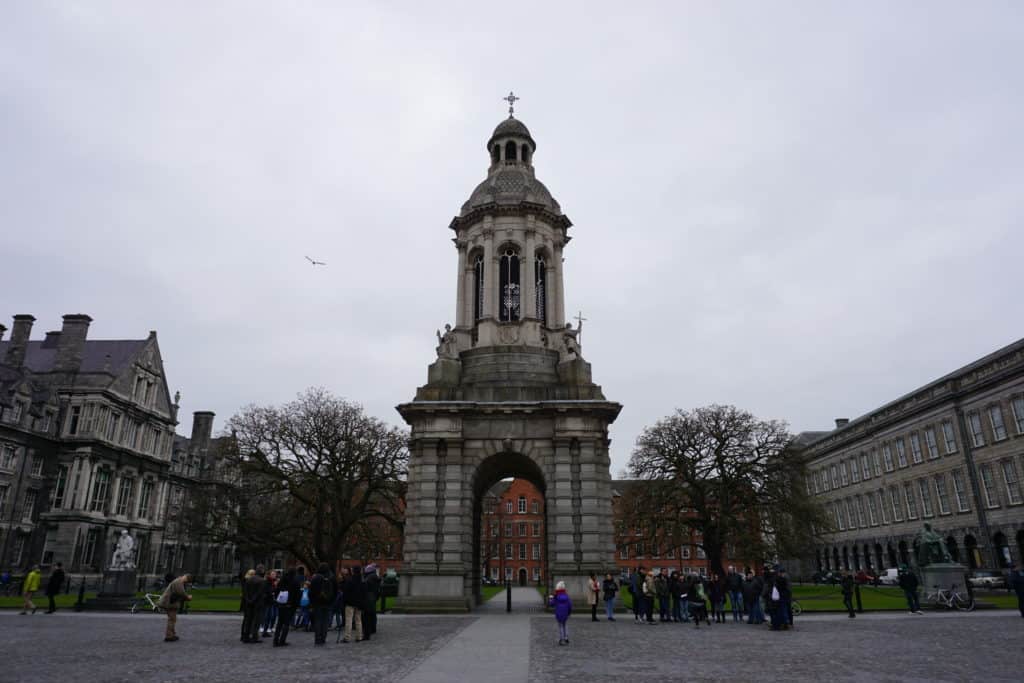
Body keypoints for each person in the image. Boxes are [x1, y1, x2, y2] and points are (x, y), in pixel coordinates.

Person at [158, 573, 192, 642]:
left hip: (170, 602)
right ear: (186, 578)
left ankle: (172, 634)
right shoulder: (178, 582)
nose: (186, 582)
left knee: (173, 619)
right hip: (170, 603)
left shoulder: (178, 581)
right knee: (172, 619)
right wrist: (188, 597)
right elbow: (181, 593)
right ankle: (169, 636)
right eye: (187, 581)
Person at [310, 562, 336, 646]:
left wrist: (312, 601)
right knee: (325, 621)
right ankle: (323, 638)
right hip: (328, 602)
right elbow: (336, 591)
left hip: (317, 602)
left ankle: (318, 638)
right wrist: (332, 600)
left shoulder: (315, 577)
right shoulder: (331, 577)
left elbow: (311, 591)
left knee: (318, 620)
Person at [273, 566, 301, 647]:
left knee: (279, 623)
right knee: (286, 623)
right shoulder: (295, 582)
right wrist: (296, 605)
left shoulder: (282, 580)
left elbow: (277, 590)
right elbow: (297, 595)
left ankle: (275, 639)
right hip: (290, 605)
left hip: (281, 603)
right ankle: (282, 640)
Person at [241, 566, 267, 643]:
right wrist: (253, 600)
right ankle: (254, 637)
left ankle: (246, 636)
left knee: (249, 620)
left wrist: (249, 600)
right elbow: (259, 593)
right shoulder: (262, 581)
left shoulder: (249, 579)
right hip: (257, 603)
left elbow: (245, 591)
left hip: (249, 603)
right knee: (256, 621)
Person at [342, 566, 365, 643]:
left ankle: (347, 637)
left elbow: (345, 592)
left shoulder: (350, 580)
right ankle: (359, 636)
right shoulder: (362, 581)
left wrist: (344, 601)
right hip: (358, 603)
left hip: (350, 603)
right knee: (358, 620)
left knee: (348, 620)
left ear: (353, 571)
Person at [548, 580, 573, 645]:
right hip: (565, 613)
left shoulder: (556, 596)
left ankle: (561, 639)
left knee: (560, 626)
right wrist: (569, 612)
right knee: (565, 625)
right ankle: (566, 637)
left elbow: (551, 604)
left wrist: (550, 598)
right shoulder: (566, 596)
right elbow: (570, 605)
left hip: (559, 613)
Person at [362, 563, 381, 641]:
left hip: (368, 598)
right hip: (373, 597)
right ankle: (373, 628)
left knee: (367, 616)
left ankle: (367, 632)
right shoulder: (375, 577)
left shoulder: (369, 578)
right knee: (372, 614)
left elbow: (365, 588)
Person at [261, 570, 278, 637]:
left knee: (270, 616)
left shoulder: (273, 582)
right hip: (267, 601)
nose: (274, 575)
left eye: (275, 574)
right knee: (267, 616)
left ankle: (266, 630)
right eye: (273, 574)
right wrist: (271, 593)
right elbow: (266, 591)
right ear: (269, 575)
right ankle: (264, 629)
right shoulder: (267, 582)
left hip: (271, 601)